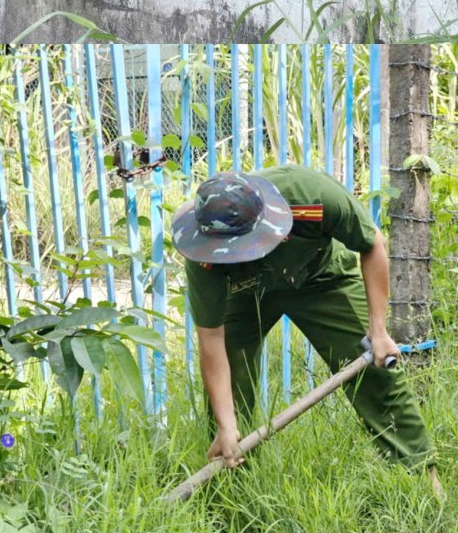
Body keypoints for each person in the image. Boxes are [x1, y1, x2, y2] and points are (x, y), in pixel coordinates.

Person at [175, 167, 440, 494]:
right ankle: (231, 490)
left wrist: (379, 329)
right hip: (244, 293)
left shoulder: (312, 197)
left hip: (322, 279)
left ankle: (421, 479)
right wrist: (225, 424)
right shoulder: (204, 253)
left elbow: (373, 244)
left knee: (374, 367)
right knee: (226, 399)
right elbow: (211, 341)